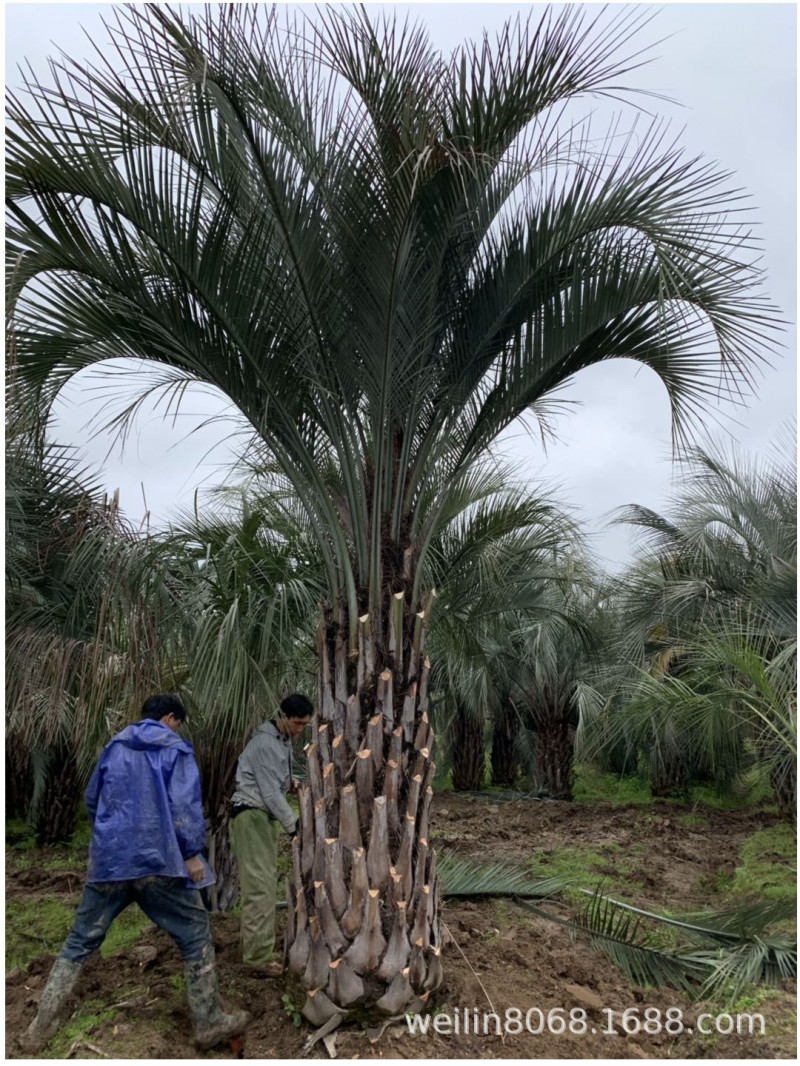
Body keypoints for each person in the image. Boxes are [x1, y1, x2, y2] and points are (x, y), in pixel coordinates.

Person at [21, 694, 250, 1053]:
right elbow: (184, 809)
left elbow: (93, 801)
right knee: (194, 933)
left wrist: (110, 840)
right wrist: (191, 853)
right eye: (178, 723)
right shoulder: (176, 749)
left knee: (80, 941)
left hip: (109, 864)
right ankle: (208, 1022)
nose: (178, 729)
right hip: (159, 864)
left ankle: (38, 1029)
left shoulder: (114, 746)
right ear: (170, 718)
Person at [230, 693, 313, 976]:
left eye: (305, 726)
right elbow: (268, 793)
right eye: (298, 723)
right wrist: (295, 827)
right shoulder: (265, 743)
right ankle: (257, 959)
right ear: (284, 716)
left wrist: (291, 783)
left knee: (264, 883)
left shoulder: (281, 741)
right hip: (251, 815)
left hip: (260, 818)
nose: (300, 730)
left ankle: (259, 951)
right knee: (260, 887)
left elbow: (275, 783)